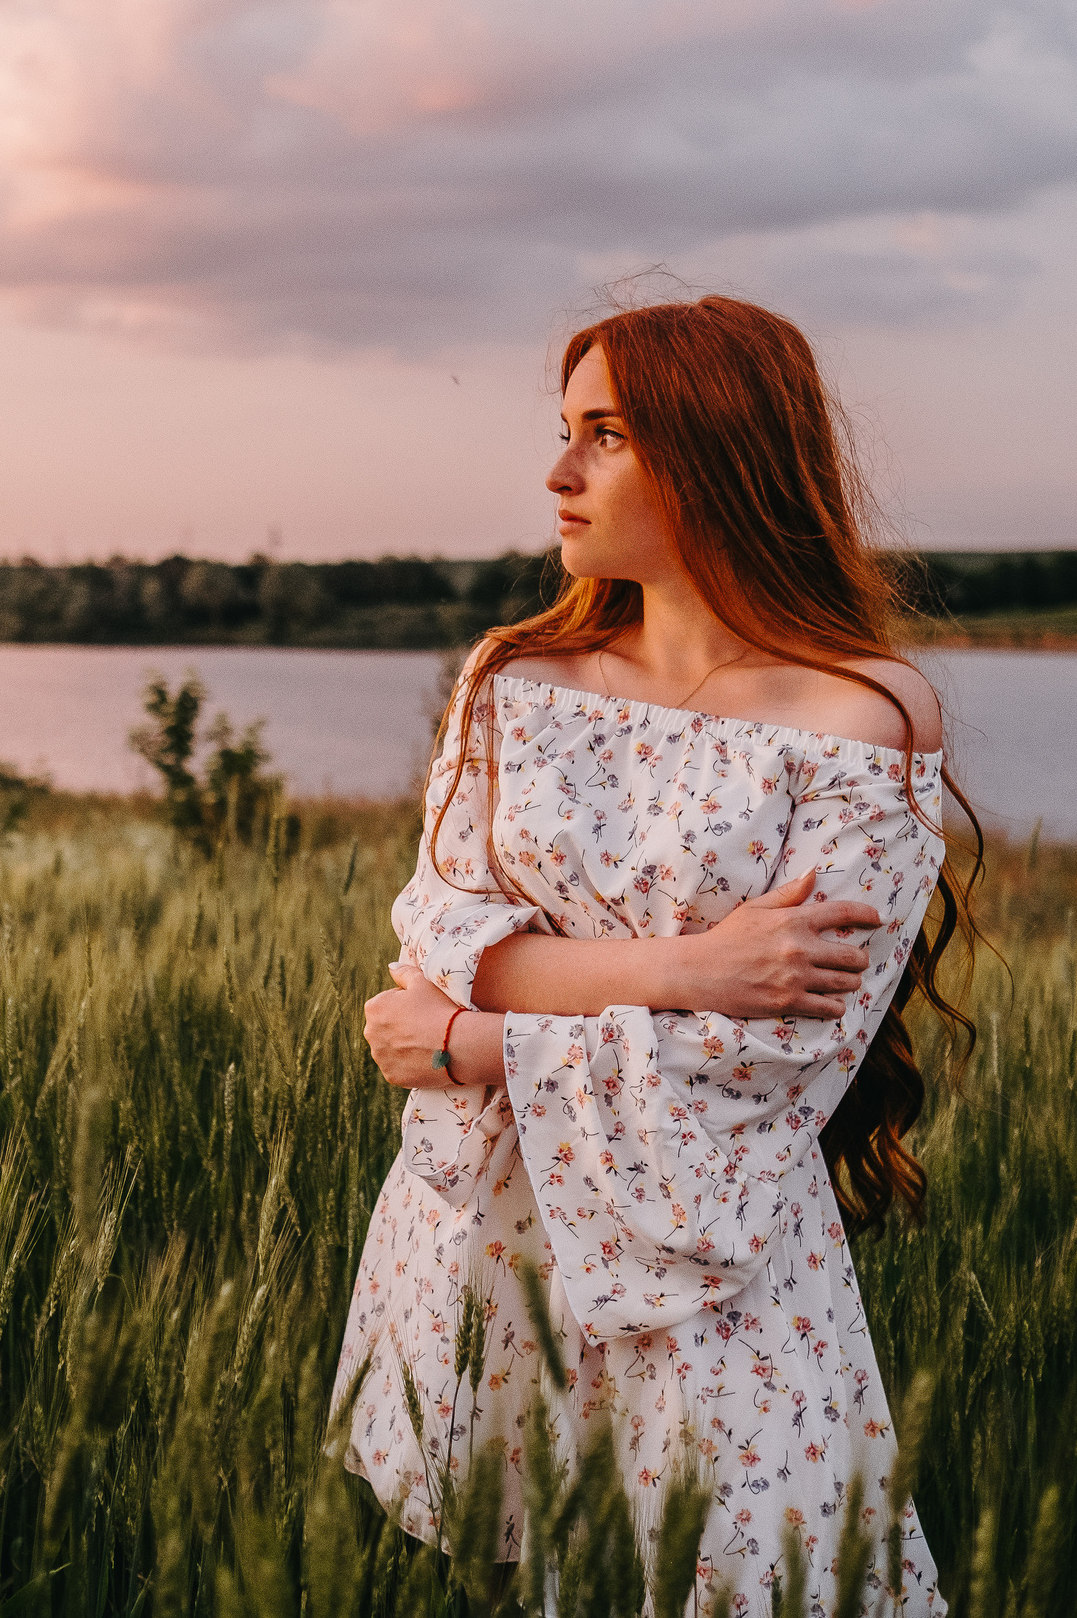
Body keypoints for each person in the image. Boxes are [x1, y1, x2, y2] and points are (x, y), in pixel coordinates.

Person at [334, 296, 976, 1614]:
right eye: (565, 432)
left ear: (718, 451)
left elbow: (769, 1066)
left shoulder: (866, 716)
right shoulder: (516, 677)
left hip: (714, 1276)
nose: (559, 473)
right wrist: (687, 971)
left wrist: (473, 1042)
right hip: (493, 1250)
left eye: (606, 435)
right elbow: (446, 939)